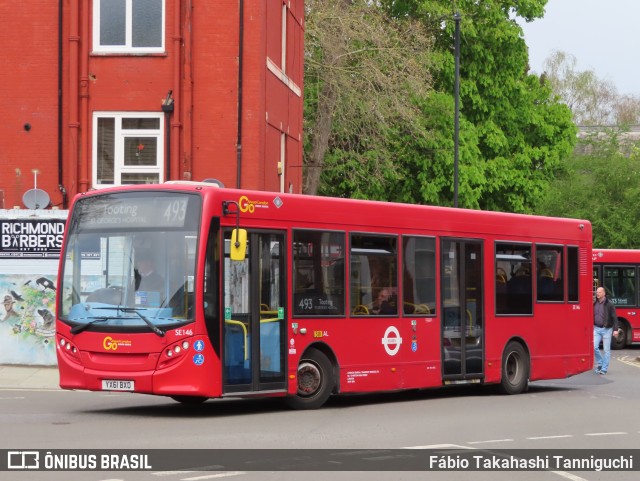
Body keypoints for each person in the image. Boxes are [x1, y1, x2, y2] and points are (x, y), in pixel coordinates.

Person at [593, 286, 619, 374]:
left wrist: (615, 329)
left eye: (599, 292)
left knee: (606, 350)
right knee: (594, 347)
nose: (597, 294)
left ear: (603, 293)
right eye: (597, 292)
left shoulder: (609, 304)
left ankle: (604, 368)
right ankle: (600, 363)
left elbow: (614, 317)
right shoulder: (594, 303)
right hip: (596, 328)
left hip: (607, 329)